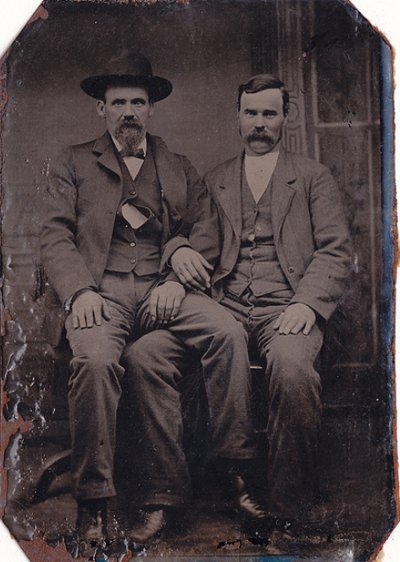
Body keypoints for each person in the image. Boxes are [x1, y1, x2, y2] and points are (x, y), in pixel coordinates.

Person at [40, 53, 264, 549]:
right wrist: (78, 291)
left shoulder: (178, 166)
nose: (129, 112)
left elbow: (204, 228)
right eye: (118, 102)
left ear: (151, 109)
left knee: (227, 331)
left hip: (164, 290)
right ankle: (94, 501)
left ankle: (235, 473)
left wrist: (176, 278)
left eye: (137, 103)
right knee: (96, 362)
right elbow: (55, 236)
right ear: (101, 108)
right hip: (103, 293)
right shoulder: (72, 163)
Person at [124, 73, 351, 537]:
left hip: (285, 309)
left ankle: (289, 509)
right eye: (252, 114)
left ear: (285, 117)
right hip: (222, 305)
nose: (260, 124)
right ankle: (165, 496)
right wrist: (178, 252)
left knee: (291, 369)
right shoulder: (216, 179)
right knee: (143, 355)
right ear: (238, 118)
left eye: (270, 114)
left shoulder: (312, 178)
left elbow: (335, 251)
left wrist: (307, 304)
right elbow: (181, 231)